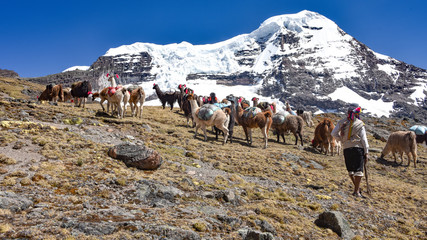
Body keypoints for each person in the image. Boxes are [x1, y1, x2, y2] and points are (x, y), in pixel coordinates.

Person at [331, 106, 369, 198]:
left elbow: (333, 133)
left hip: (346, 149)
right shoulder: (360, 124)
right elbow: (364, 139)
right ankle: (356, 191)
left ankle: (357, 188)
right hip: (358, 148)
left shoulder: (341, 122)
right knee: (359, 170)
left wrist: (342, 140)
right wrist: (366, 151)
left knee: (351, 170)